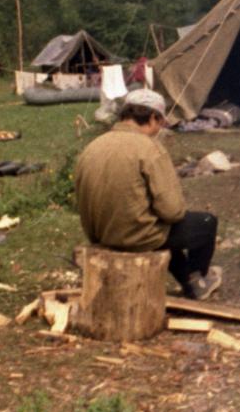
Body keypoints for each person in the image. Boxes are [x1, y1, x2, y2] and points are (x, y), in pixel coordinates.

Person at [74, 88, 222, 300]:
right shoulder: (149, 148)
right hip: (134, 236)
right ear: (153, 117)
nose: (159, 129)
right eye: (160, 122)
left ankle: (188, 278)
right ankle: (198, 281)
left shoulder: (92, 147)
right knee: (206, 222)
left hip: (102, 235)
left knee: (160, 230)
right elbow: (172, 212)